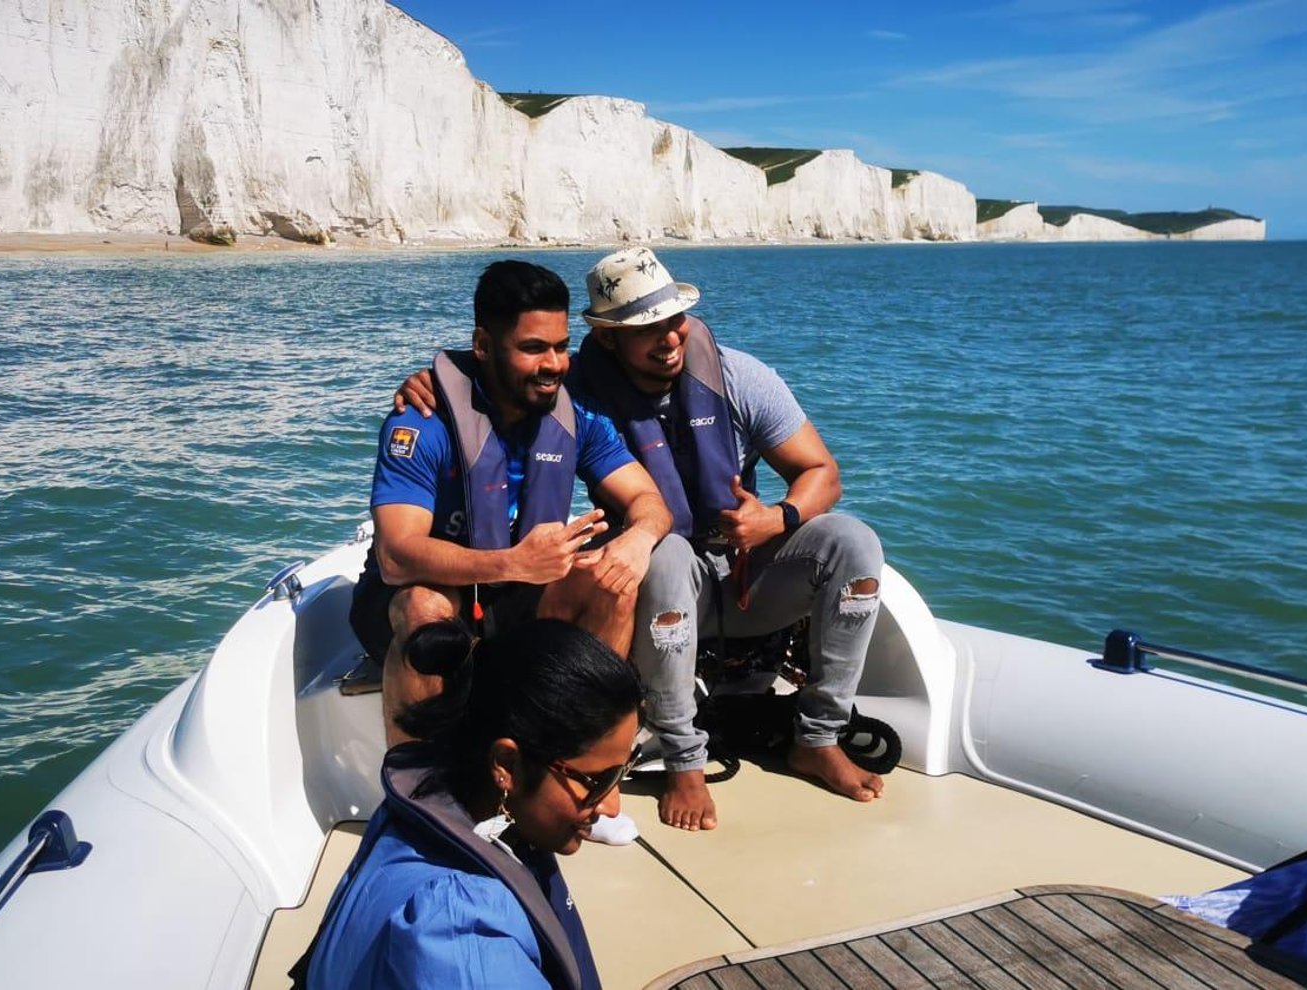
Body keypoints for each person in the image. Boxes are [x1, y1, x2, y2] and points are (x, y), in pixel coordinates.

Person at [398, 249, 887, 833]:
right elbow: (497, 375)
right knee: (667, 551)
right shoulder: (571, 387)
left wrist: (777, 518)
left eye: (674, 320)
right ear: (607, 338)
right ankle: (683, 759)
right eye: (646, 328)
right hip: (662, 582)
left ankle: (819, 737)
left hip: (747, 573)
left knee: (854, 543)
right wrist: (433, 381)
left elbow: (823, 474)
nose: (669, 338)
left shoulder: (739, 378)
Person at [354, 260, 670, 746]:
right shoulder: (422, 422)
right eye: (533, 348)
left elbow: (648, 499)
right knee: (425, 608)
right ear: (483, 345)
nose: (554, 364)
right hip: (425, 597)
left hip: (519, 595)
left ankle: (570, 758)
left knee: (612, 584)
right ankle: (421, 780)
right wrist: (513, 563)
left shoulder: (577, 417)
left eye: (561, 347)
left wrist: (638, 540)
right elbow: (396, 555)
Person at [306, 619, 642, 990]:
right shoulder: (459, 933)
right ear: (507, 765)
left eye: (622, 772)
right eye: (597, 782)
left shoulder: (432, 803)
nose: (612, 807)